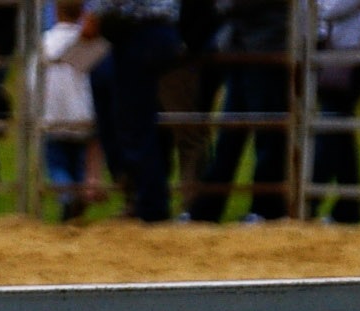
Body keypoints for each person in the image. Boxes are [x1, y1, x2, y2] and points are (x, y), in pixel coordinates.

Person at [183, 0, 291, 220]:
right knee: (228, 138)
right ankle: (205, 211)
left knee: (268, 136)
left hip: (266, 52)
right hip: (241, 50)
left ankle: (266, 210)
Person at [95, 0, 183, 218]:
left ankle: (150, 206)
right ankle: (147, 198)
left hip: (139, 33)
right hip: (162, 31)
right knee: (145, 122)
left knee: (135, 125)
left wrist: (98, 14)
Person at [306, 0, 360, 219]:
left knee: (331, 124)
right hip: (343, 48)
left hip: (354, 51)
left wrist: (312, 10)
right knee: (339, 131)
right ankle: (348, 208)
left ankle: (310, 201)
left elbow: (336, 7)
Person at [37, 0, 104, 220]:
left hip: (53, 118)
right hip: (82, 117)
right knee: (79, 166)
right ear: (83, 11)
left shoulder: (44, 43)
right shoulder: (91, 43)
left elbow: (32, 81)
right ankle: (76, 207)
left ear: (55, 11)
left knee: (56, 165)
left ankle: (67, 197)